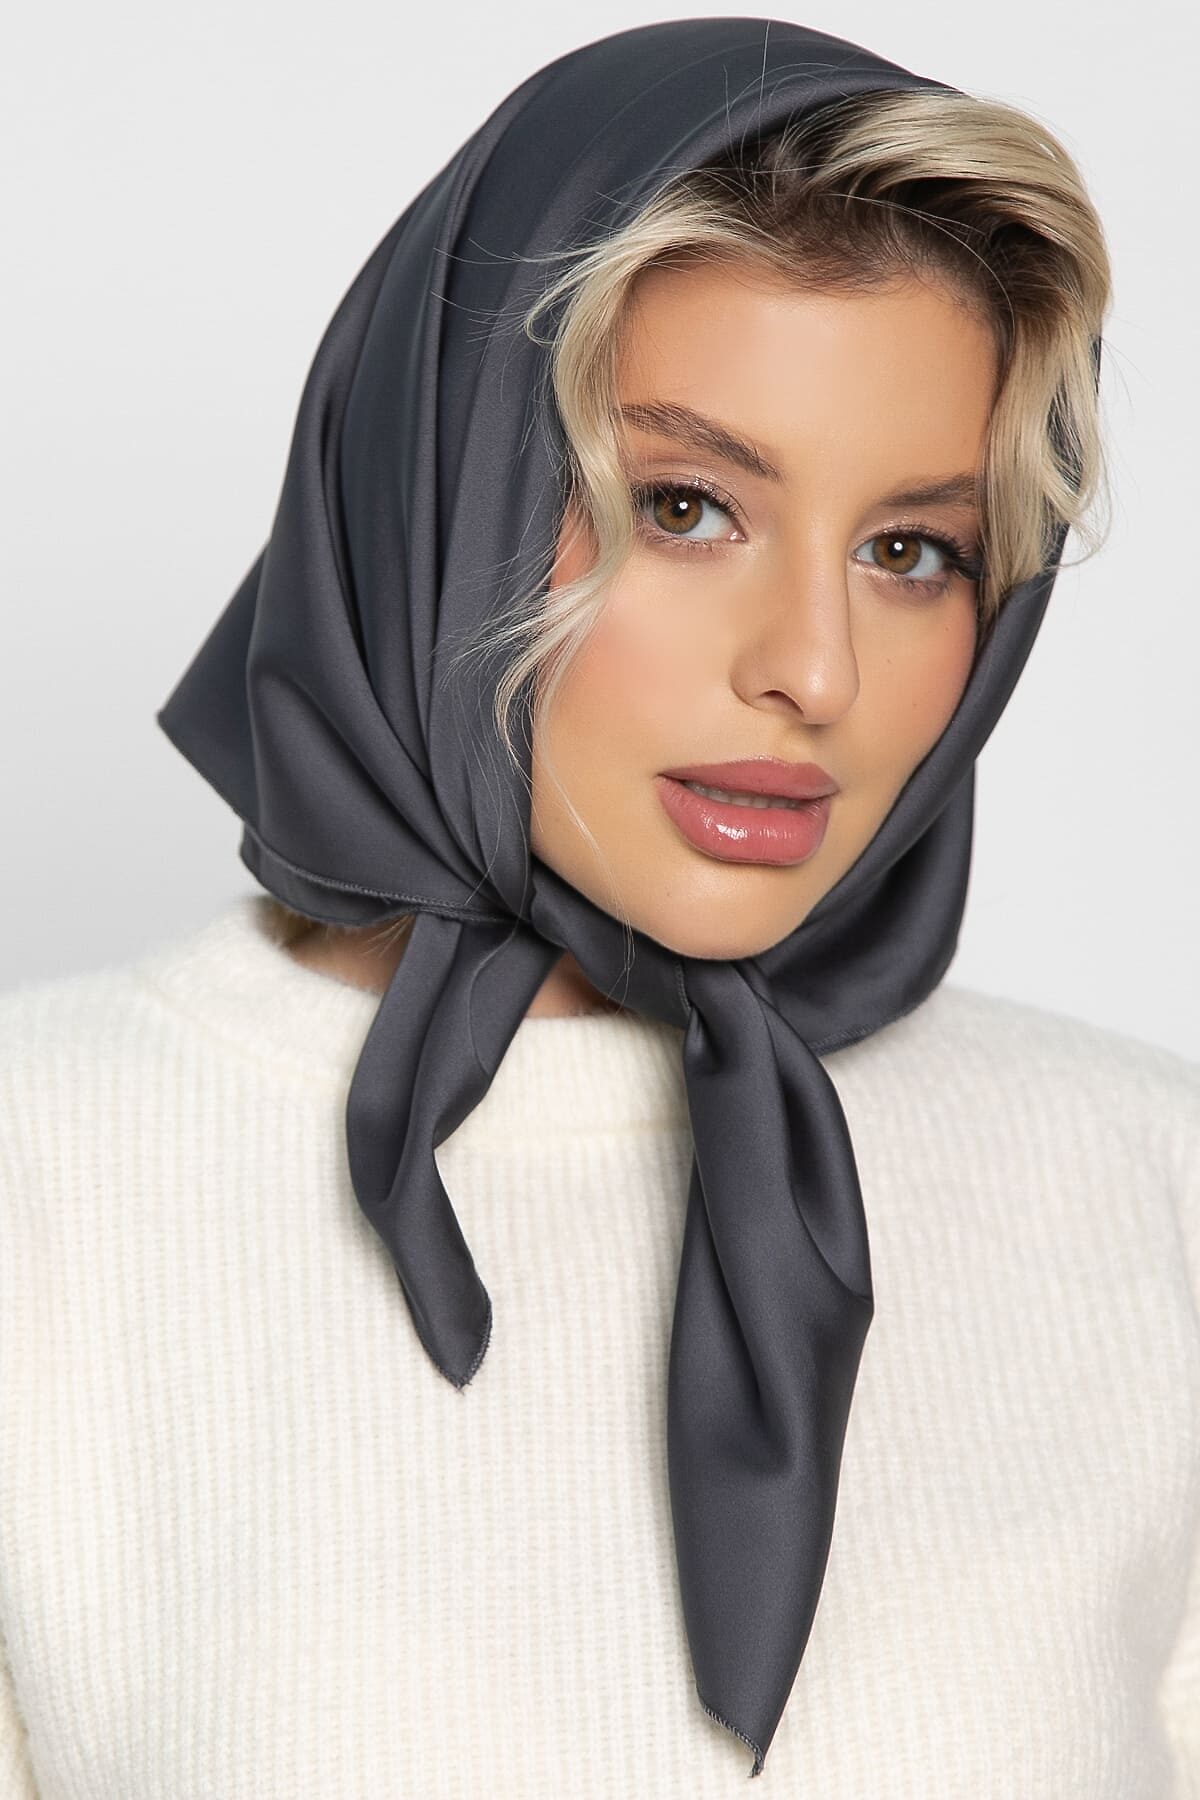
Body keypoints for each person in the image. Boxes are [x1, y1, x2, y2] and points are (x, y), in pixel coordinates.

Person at [1, 18, 1197, 1797]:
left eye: (909, 551)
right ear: (440, 498)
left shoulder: (1154, 1192)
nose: (814, 671)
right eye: (688, 507)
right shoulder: (40, 1187)